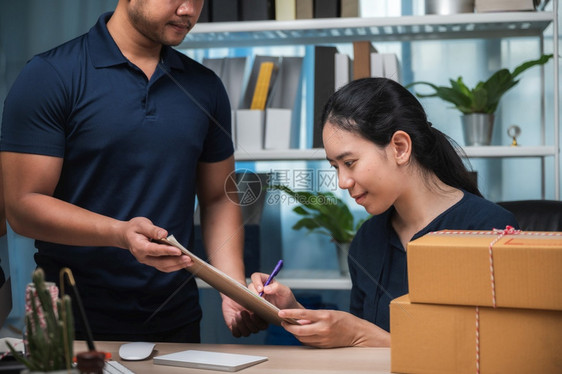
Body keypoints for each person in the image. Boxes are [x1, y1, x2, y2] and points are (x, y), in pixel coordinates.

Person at [1, 0, 266, 342]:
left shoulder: (205, 86)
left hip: (176, 318)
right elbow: (23, 207)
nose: (188, 10)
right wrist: (120, 233)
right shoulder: (48, 75)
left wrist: (232, 288)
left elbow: (218, 198)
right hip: (67, 320)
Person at [250, 77, 519, 348]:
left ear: (400, 147)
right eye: (335, 167)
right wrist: (293, 311)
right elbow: (356, 350)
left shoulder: (488, 230)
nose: (343, 181)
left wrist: (362, 335)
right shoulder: (367, 239)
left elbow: (491, 352)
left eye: (350, 162)